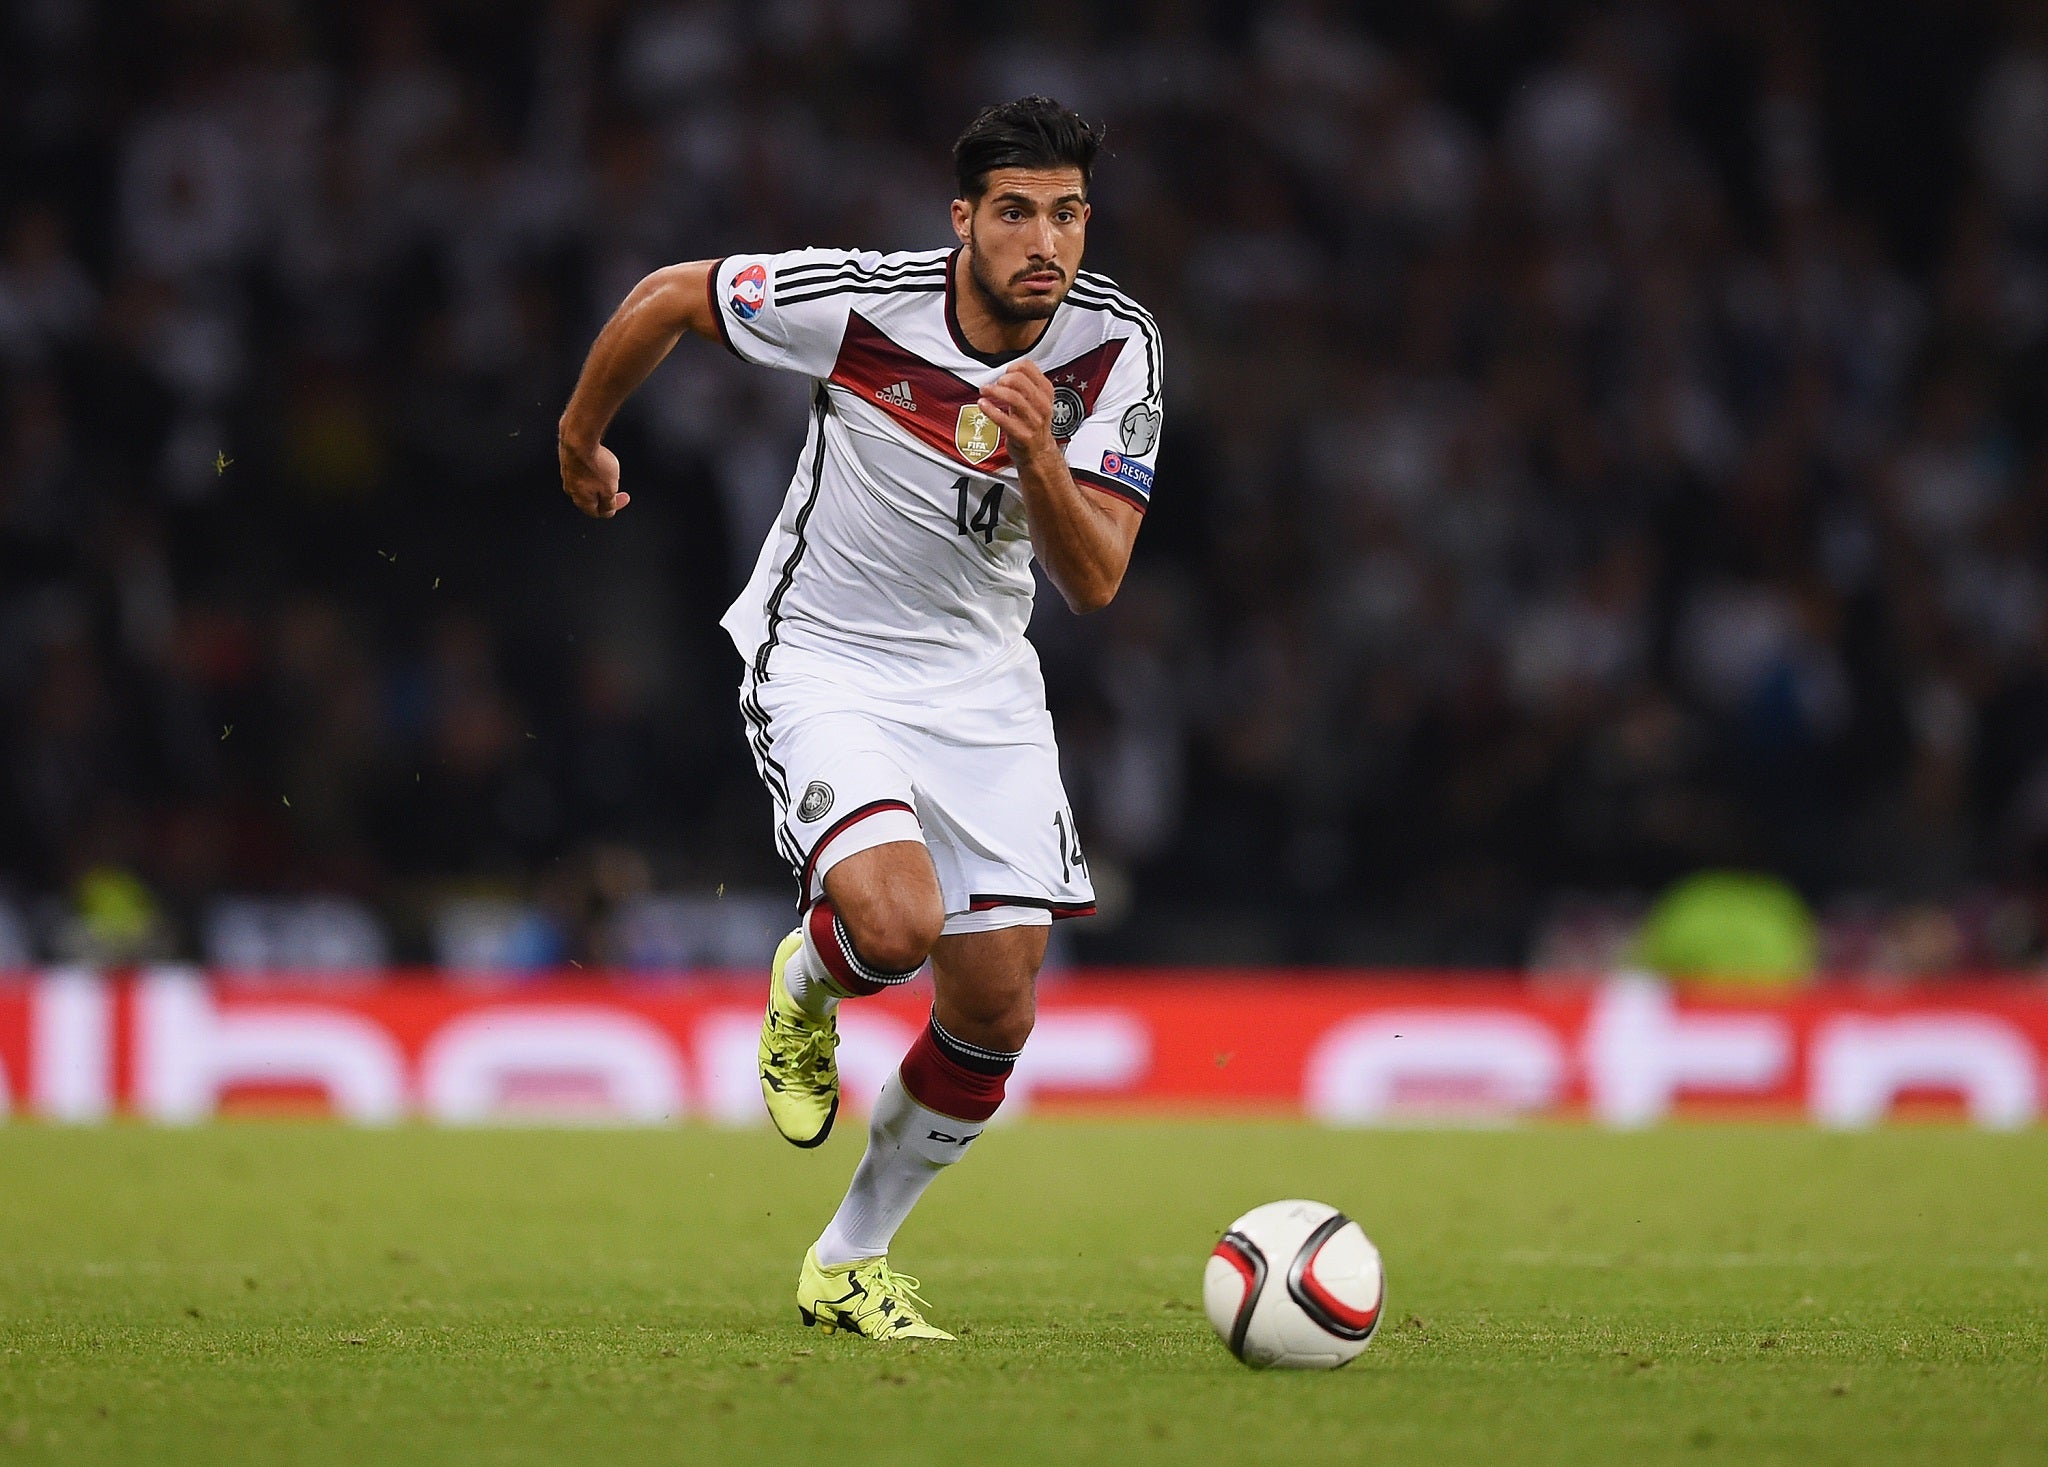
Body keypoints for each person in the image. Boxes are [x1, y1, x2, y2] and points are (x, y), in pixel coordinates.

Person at [556, 97, 1163, 1340]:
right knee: (892, 924)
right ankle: (810, 978)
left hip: (983, 685)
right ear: (962, 221)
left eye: (1066, 215)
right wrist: (579, 440)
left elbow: (1095, 580)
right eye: (1014, 213)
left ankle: (847, 1259)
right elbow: (673, 292)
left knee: (994, 1009)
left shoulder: (1115, 348)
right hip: (825, 657)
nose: (1043, 241)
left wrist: (1041, 455)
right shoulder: (859, 301)